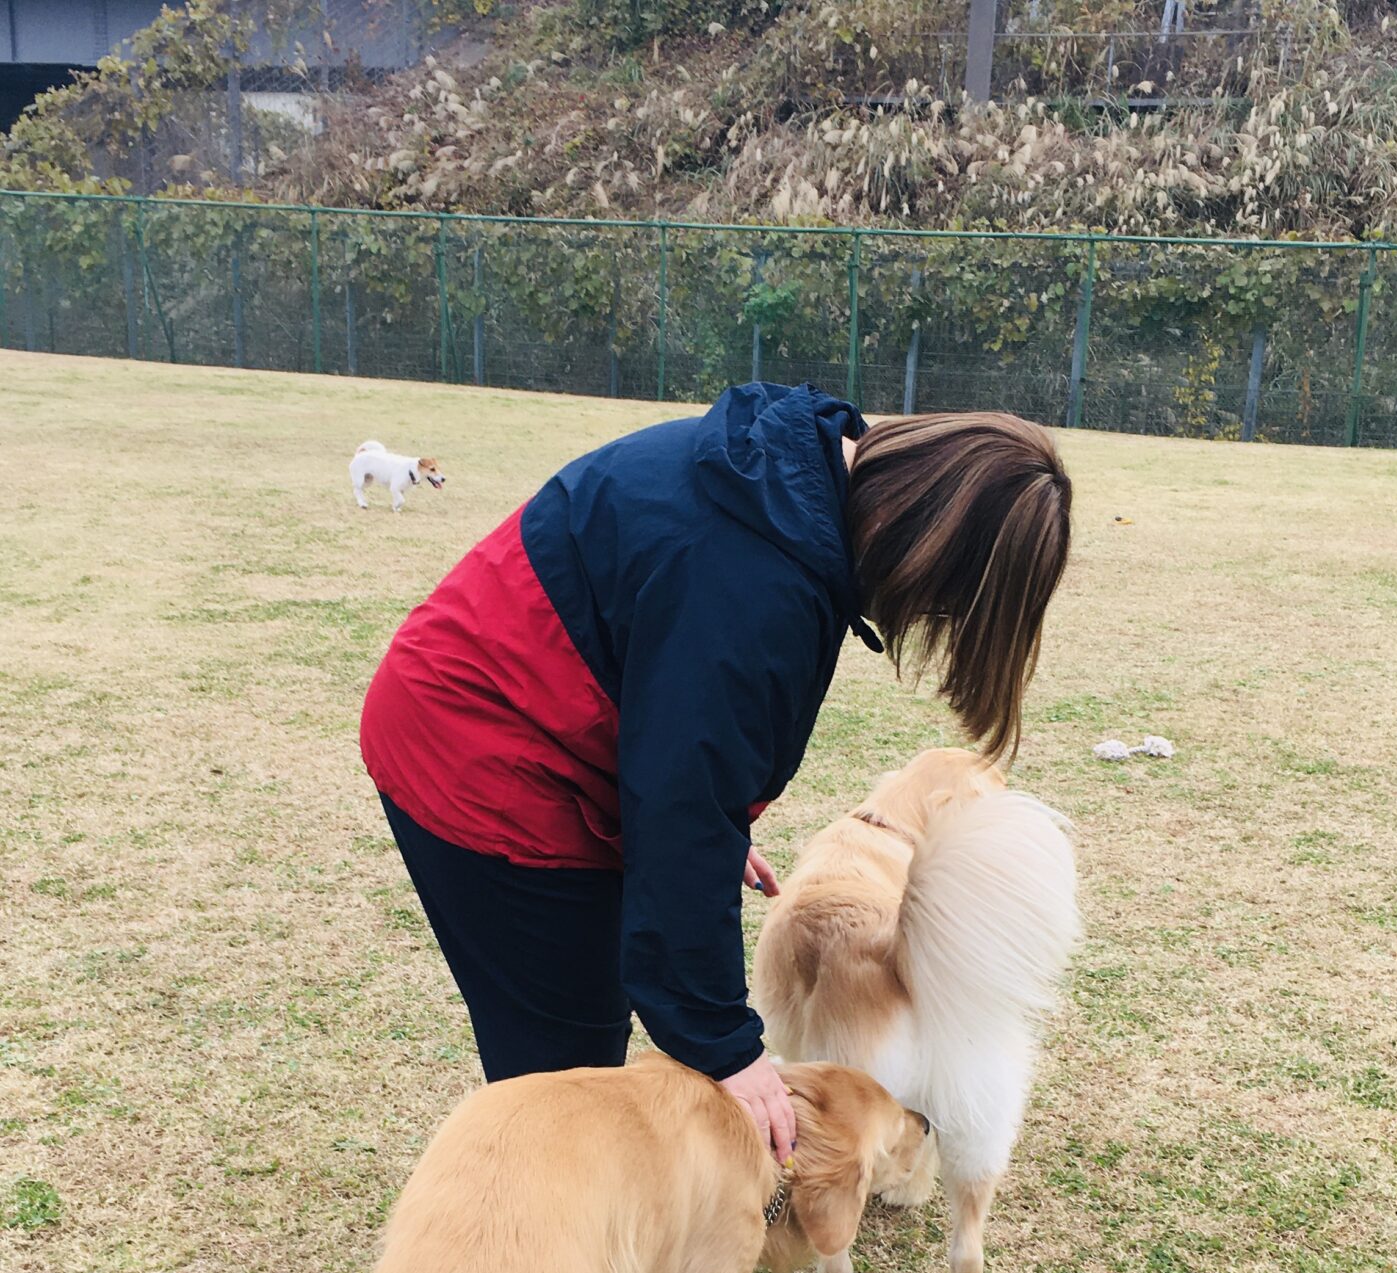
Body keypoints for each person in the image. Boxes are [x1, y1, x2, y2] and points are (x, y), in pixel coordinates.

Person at [360, 383, 1072, 1166]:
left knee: (586, 1044)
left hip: (531, 724)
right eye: (945, 604)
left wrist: (703, 819)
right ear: (930, 548)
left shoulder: (789, 477)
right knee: (564, 1076)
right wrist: (726, 1048)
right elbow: (680, 812)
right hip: (479, 754)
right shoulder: (754, 582)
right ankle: (526, 1223)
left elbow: (679, 740)